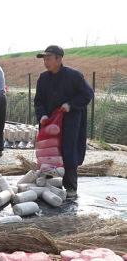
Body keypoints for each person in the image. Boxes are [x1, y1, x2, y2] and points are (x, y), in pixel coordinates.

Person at [34, 45, 94, 198]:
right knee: (48, 150)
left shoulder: (74, 76)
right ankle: (47, 183)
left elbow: (87, 94)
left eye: (49, 59)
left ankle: (71, 187)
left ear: (59, 59)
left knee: (69, 151)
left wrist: (70, 105)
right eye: (44, 59)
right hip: (50, 123)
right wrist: (42, 116)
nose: (46, 62)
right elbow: (38, 100)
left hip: (70, 121)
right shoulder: (43, 78)